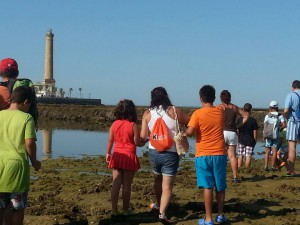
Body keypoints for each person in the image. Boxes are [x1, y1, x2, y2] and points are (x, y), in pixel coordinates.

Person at [140, 87, 190, 224]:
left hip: (153, 152)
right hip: (170, 152)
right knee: (167, 186)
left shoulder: (147, 114)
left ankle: (158, 204)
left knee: (157, 179)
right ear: (166, 96)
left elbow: (143, 136)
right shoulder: (173, 111)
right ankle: (162, 214)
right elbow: (189, 121)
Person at [185, 85, 228, 225]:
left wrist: (182, 134)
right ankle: (221, 215)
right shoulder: (220, 112)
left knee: (208, 186)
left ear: (200, 98)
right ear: (214, 98)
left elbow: (190, 132)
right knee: (220, 186)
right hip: (220, 153)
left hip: (203, 154)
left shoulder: (197, 114)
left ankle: (208, 219)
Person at [0, 86, 41, 225]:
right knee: (17, 208)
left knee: (1, 206)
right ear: (26, 102)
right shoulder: (26, 118)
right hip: (17, 168)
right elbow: (29, 143)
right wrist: (34, 161)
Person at [106, 99, 147, 216]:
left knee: (116, 183)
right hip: (129, 156)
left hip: (117, 155)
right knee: (127, 185)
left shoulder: (114, 124)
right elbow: (137, 143)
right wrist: (144, 141)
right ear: (132, 111)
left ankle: (114, 210)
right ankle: (125, 209)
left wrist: (108, 153)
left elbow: (110, 140)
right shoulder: (133, 125)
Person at [216, 90, 240, 183]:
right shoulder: (234, 107)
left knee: (220, 155)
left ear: (221, 98)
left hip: (222, 132)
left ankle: (220, 176)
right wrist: (239, 125)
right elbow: (245, 115)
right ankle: (235, 177)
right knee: (233, 156)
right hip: (232, 133)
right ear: (230, 98)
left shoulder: (219, 107)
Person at [283, 80, 300, 176]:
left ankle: (291, 170)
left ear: (293, 87)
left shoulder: (291, 95)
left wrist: (286, 117)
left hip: (293, 122)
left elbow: (286, 110)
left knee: (292, 147)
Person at [263, 101, 286, 172]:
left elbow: (265, 126)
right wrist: (279, 129)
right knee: (274, 151)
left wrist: (264, 135)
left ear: (270, 107)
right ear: (277, 107)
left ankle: (266, 166)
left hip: (268, 135)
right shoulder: (280, 115)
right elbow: (284, 125)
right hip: (275, 135)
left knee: (267, 151)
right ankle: (273, 166)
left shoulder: (267, 115)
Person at [236, 103, 258, 172]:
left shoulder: (239, 119)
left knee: (240, 155)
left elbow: (237, 130)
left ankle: (239, 168)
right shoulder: (253, 120)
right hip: (250, 140)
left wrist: (238, 139)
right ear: (250, 110)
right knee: (248, 155)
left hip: (241, 139)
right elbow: (255, 133)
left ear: (243, 109)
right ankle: (247, 169)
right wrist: (255, 141)